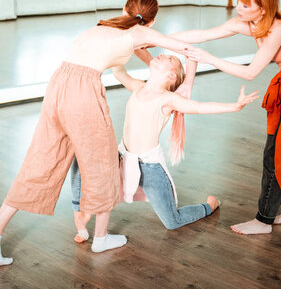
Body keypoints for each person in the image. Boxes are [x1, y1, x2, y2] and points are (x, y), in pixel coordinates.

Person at [0, 0, 198, 265]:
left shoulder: (106, 26)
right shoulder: (141, 32)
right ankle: (102, 238)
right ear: (151, 22)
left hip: (59, 83)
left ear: (125, 9)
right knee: (104, 163)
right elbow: (189, 47)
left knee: (41, 160)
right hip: (83, 91)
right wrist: (187, 81)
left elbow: (142, 54)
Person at [172, 0, 281, 235]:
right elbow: (204, 35)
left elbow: (251, 73)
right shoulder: (247, 23)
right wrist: (155, 39)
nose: (240, 8)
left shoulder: (279, 29)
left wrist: (208, 59)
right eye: (240, 2)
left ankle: (263, 220)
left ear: (264, 8)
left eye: (247, 5)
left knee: (275, 155)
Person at [70, 54, 259, 239]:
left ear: (171, 76)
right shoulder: (138, 87)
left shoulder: (167, 99)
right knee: (87, 167)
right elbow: (120, 73)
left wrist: (234, 106)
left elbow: (199, 107)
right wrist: (117, 49)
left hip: (150, 168)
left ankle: (209, 206)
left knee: (172, 221)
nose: (162, 55)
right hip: (123, 158)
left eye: (170, 59)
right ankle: (83, 215)